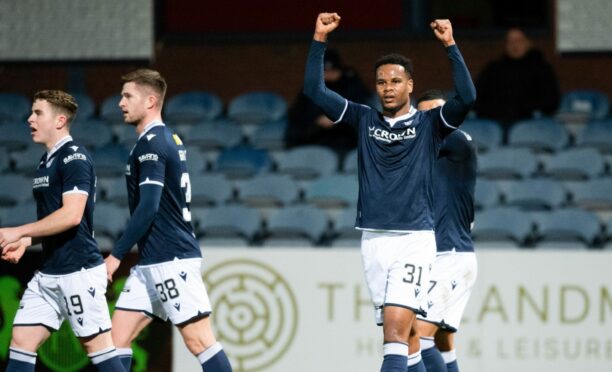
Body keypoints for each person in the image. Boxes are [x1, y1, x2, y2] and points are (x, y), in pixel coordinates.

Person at [303, 13, 476, 372]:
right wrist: (319, 39)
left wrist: (450, 45)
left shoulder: (430, 124)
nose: (388, 87)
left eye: (396, 81)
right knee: (407, 339)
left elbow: (467, 97)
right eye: (382, 81)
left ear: (410, 85)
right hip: (373, 239)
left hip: (413, 238)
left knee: (396, 332)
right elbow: (314, 91)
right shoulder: (363, 118)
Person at [103, 69, 232, 372]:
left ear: (150, 101)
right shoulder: (161, 138)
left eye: (127, 96)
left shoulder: (154, 143)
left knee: (199, 341)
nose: (120, 102)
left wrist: (115, 256)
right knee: (114, 341)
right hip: (151, 261)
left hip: (171, 259)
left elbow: (148, 207)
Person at [0, 90, 125, 372]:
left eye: (38, 113)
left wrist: (18, 232)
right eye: (31, 112)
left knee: (99, 349)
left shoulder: (75, 158)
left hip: (78, 272)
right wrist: (27, 240)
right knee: (21, 340)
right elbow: (52, 220)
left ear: (59, 121)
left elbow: (71, 216)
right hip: (49, 274)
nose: (29, 119)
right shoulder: (46, 161)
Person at [414, 90, 478, 372]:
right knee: (443, 340)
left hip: (449, 254)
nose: (433, 121)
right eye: (426, 116)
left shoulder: (458, 141)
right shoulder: (428, 158)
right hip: (444, 253)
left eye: (438, 114)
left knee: (414, 335)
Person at [284, 48, 371, 156]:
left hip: (345, 145)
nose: (329, 75)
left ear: (340, 70)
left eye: (332, 71)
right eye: (325, 72)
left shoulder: (352, 87)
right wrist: (316, 124)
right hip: (314, 144)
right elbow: (297, 122)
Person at [474, 27, 560, 135]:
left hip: (529, 124)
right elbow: (476, 97)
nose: (514, 45)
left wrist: (523, 110)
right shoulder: (493, 68)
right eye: (510, 41)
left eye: (519, 41)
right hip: (494, 124)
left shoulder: (542, 69)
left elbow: (550, 102)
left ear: (529, 42)